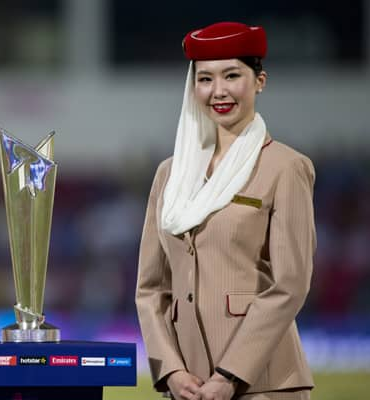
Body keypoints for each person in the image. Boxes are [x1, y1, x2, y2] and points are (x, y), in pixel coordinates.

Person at [136, 22, 315, 400]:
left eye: (232, 75)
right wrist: (170, 371)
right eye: (205, 79)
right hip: (185, 387)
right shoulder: (170, 174)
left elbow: (290, 285)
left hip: (262, 384)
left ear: (260, 81)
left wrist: (229, 376)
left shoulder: (286, 167)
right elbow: (151, 290)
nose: (218, 91)